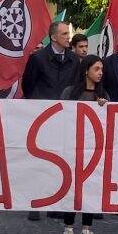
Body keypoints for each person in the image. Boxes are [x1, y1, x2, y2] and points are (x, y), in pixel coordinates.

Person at [22, 21, 80, 221]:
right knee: (39, 159)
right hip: (42, 115)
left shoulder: (74, 59)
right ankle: (35, 201)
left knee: (61, 159)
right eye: (64, 34)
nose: (68, 37)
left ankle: (56, 202)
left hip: (65, 115)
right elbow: (28, 86)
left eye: (68, 33)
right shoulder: (37, 59)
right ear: (54, 37)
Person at [60, 55, 107, 234]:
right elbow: (61, 115)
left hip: (93, 151)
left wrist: (104, 108)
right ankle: (68, 229)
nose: (100, 72)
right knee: (72, 189)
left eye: (101, 69)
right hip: (73, 148)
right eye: (96, 69)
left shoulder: (103, 95)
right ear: (86, 70)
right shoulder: (70, 92)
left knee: (91, 190)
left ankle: (86, 231)